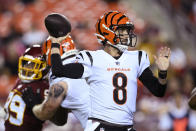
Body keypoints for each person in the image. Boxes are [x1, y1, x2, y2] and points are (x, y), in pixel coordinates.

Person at [49, 11, 171, 131]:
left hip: (127, 127)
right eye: (121, 31)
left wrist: (162, 73)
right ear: (107, 32)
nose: (126, 35)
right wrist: (55, 44)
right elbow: (58, 70)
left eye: (127, 31)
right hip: (101, 126)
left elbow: (158, 91)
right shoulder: (93, 59)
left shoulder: (136, 59)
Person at [3, 45, 68, 131]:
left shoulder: (44, 87)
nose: (27, 68)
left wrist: (38, 105)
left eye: (33, 64)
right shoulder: (21, 80)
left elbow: (61, 120)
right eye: (26, 63)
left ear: (46, 67)